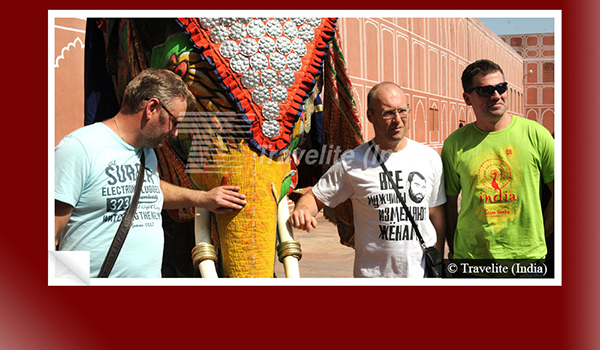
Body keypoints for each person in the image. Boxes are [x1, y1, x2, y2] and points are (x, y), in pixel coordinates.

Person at [55, 68, 246, 278]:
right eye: (175, 122)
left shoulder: (148, 153)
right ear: (152, 107)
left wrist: (203, 198)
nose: (175, 133)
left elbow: (152, 189)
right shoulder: (80, 147)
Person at [290, 82, 445, 278]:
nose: (398, 120)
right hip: (373, 275)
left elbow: (436, 215)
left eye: (402, 111)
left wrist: (438, 265)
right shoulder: (352, 162)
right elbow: (315, 197)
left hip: (422, 275)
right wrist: (304, 210)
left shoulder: (429, 158)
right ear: (370, 116)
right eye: (388, 113)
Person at [441, 59, 554, 268]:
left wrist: (541, 233)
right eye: (485, 90)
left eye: (501, 87)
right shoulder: (455, 144)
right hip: (472, 262)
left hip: (527, 262)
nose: (496, 95)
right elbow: (448, 203)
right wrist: (454, 250)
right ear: (467, 98)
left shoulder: (536, 135)